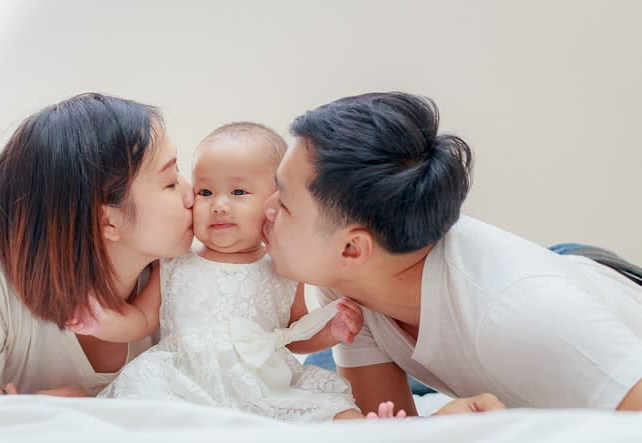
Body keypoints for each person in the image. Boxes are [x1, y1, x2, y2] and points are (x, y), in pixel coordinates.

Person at [262, 91, 642, 415]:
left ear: (352, 248)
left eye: (285, 203)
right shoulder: (346, 278)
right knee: (317, 382)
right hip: (528, 284)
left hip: (596, 293)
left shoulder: (530, 316)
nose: (267, 207)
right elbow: (389, 427)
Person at [69, 122, 369, 420]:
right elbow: (142, 319)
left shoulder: (282, 268)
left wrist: (330, 333)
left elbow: (294, 334)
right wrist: (101, 322)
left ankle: (375, 431)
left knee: (330, 410)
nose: (219, 205)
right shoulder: (177, 261)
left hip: (262, 385)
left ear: (275, 203)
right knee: (145, 415)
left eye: (238, 192)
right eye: (205, 191)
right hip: (184, 380)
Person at [0, 93, 195, 401]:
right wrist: (37, 413)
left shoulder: (181, 274)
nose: (191, 193)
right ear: (106, 221)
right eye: (170, 182)